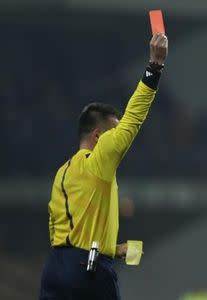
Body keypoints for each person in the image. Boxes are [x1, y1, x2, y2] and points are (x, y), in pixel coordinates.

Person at [39, 33, 168, 300]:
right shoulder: (99, 161)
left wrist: (113, 247)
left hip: (54, 271)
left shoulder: (62, 173)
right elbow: (133, 118)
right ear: (98, 136)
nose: (118, 137)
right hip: (90, 272)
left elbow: (65, 231)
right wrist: (154, 67)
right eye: (113, 131)